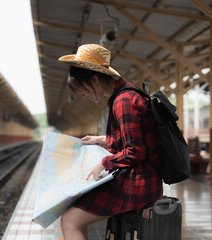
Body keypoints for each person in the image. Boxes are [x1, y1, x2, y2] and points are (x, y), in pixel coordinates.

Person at [58, 44, 163, 240]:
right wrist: (99, 139)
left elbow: (135, 151)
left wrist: (103, 163)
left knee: (70, 220)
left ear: (95, 79)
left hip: (139, 184)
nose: (86, 97)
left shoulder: (123, 102)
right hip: (141, 177)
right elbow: (131, 139)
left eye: (84, 91)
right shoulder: (126, 94)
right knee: (76, 208)